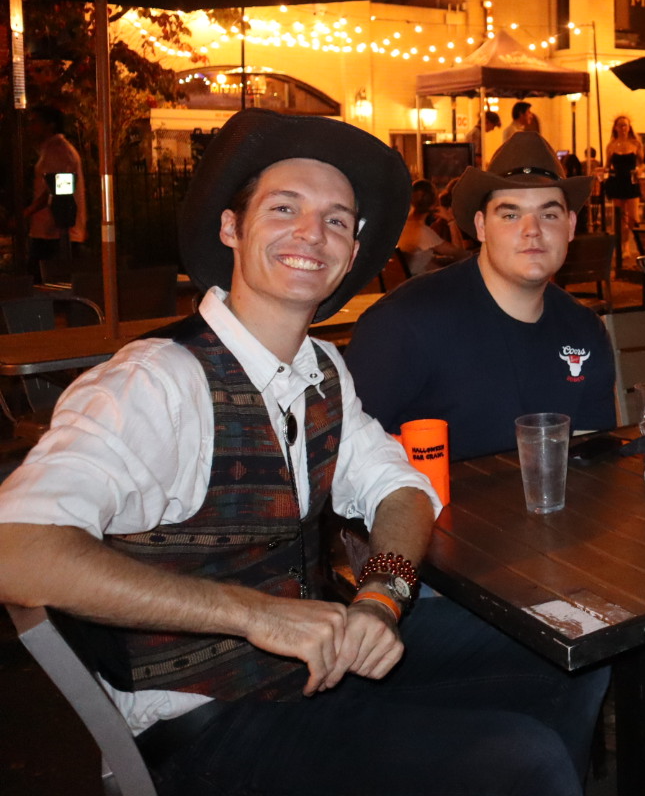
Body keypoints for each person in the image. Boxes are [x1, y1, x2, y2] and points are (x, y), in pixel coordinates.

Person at [0, 110, 608, 796]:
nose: (311, 234)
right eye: (284, 207)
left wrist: (382, 593)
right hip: (207, 723)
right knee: (522, 760)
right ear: (231, 228)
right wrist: (253, 614)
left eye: (337, 220)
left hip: (317, 675)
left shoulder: (321, 367)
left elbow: (400, 488)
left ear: (351, 253)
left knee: (568, 653)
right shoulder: (154, 381)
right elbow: (14, 548)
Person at [345, 132, 614, 459]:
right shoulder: (406, 322)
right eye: (511, 214)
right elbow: (347, 459)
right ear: (481, 226)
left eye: (549, 214)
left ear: (570, 226)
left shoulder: (585, 329)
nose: (532, 229)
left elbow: (591, 455)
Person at [21, 104, 86, 281]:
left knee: (44, 284)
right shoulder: (51, 150)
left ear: (49, 125)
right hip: (51, 230)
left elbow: (57, 188)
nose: (31, 127)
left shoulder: (58, 151)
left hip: (55, 232)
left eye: (35, 122)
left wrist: (28, 212)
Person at [604, 115, 644, 250]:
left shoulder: (635, 143)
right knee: (619, 216)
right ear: (615, 127)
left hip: (631, 180)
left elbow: (644, 163)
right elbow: (608, 165)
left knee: (633, 216)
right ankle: (623, 245)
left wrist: (639, 170)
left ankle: (638, 244)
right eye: (620, 125)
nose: (623, 128)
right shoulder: (611, 145)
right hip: (617, 181)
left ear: (629, 127)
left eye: (625, 125)